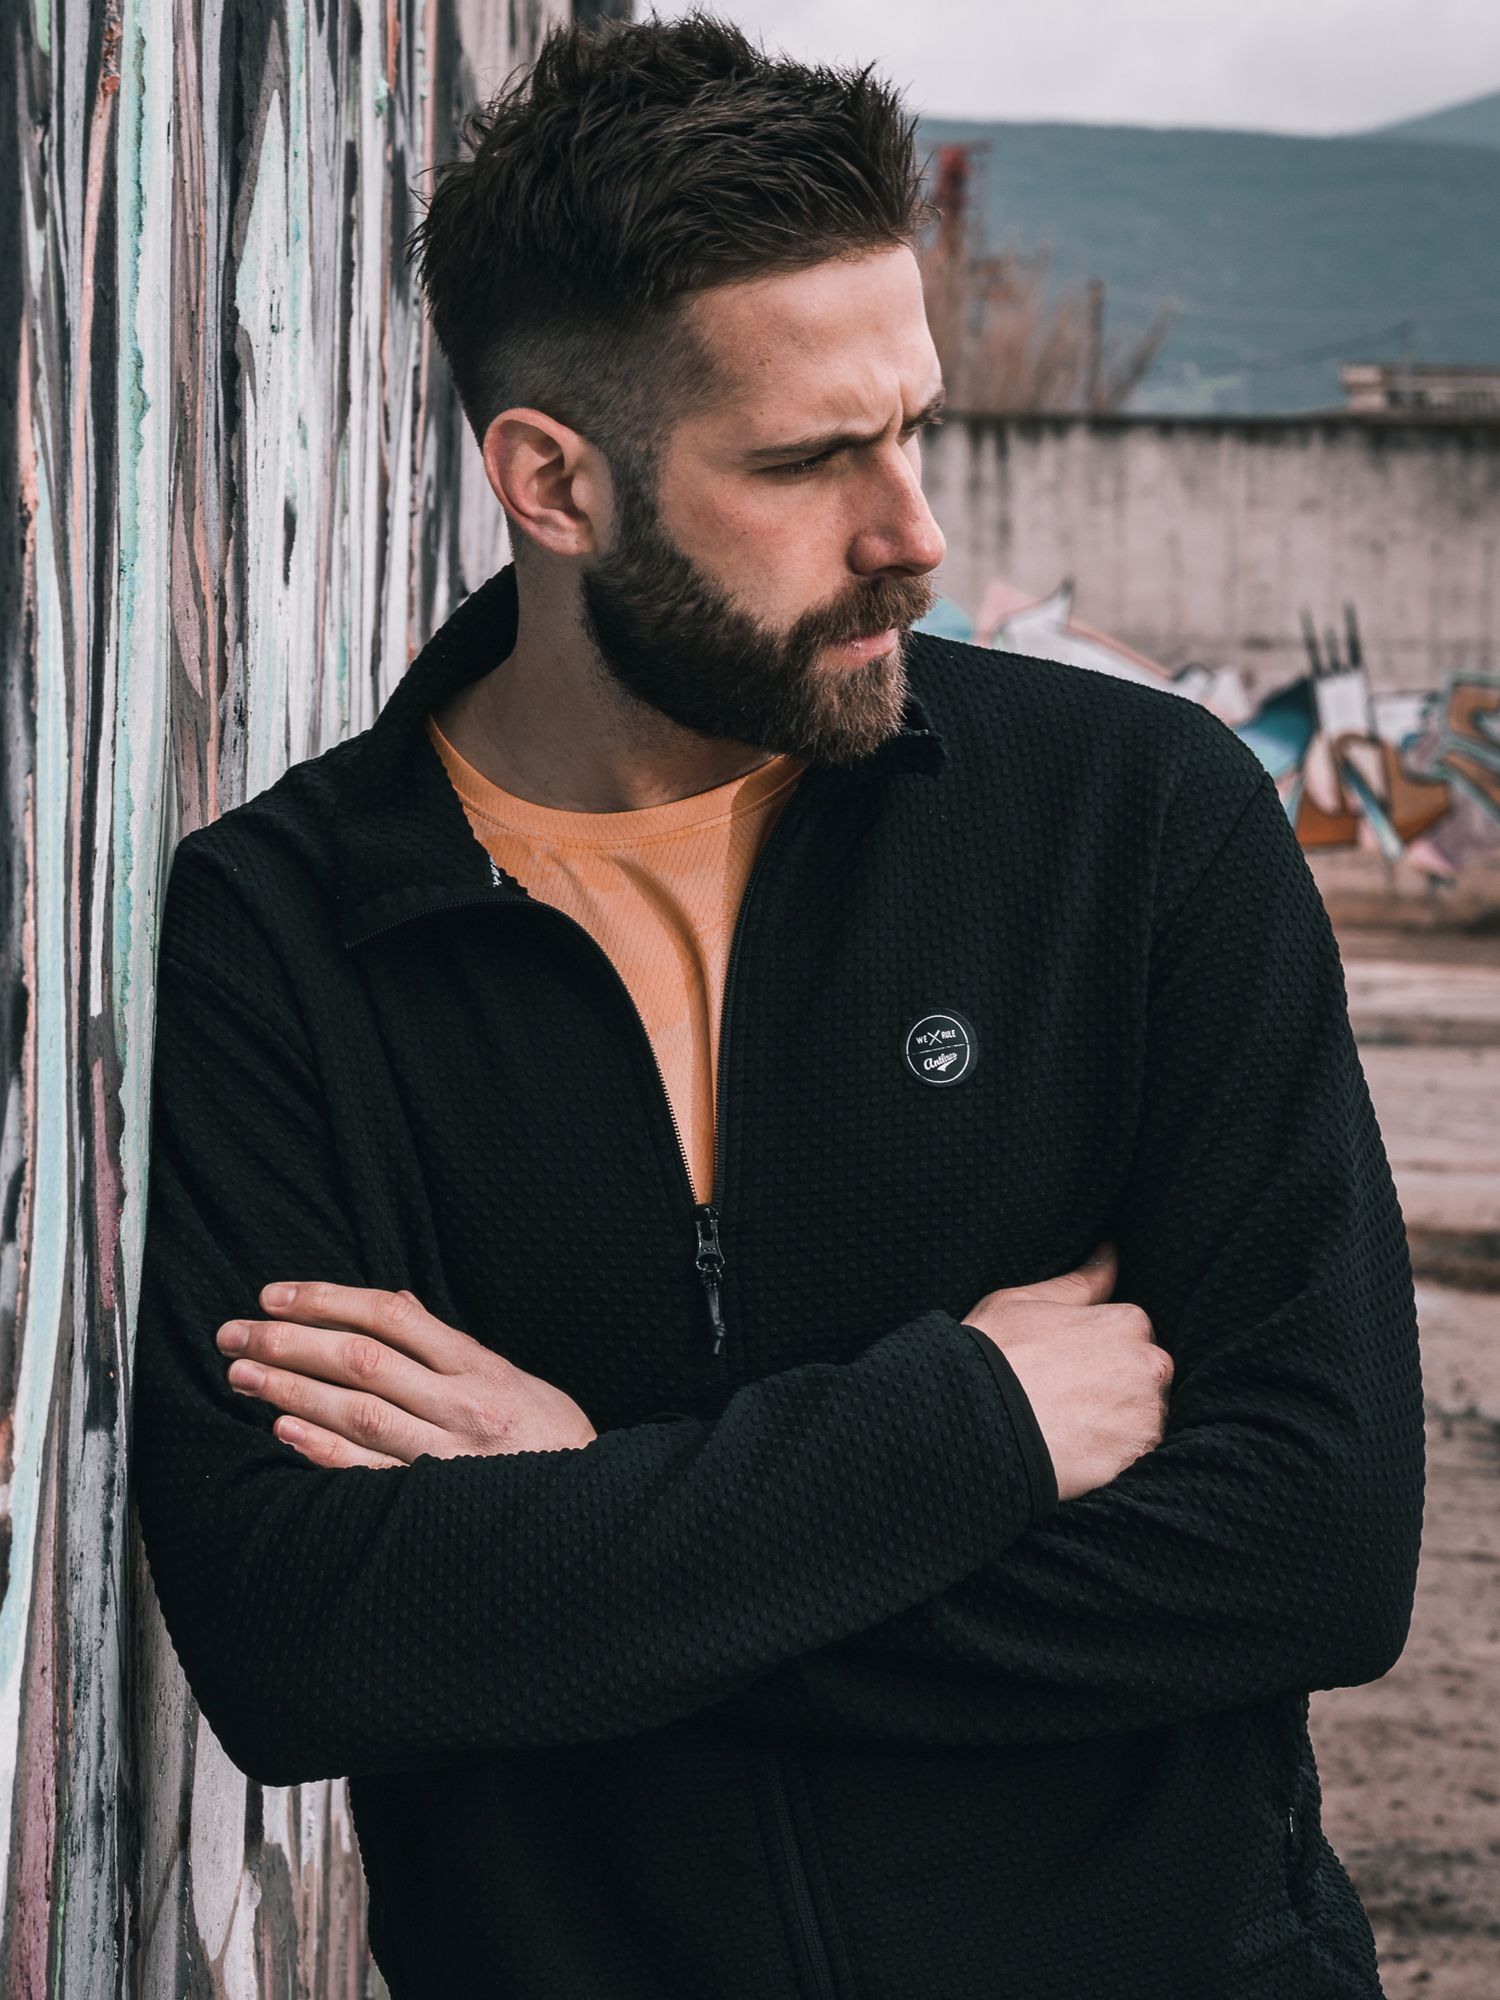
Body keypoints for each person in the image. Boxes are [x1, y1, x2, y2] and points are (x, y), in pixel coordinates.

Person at [130, 14, 1424, 1997]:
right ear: (554, 482)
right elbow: (302, 1642)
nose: (914, 534)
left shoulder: (1137, 822)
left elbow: (1313, 1544)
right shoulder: (294, 928)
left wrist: (583, 1514)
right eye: (814, 460)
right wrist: (962, 1433)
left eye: (913, 426)